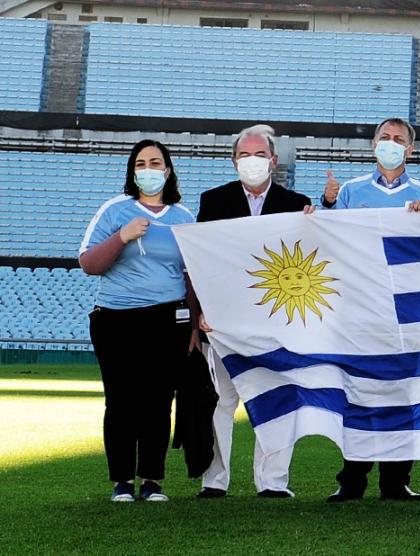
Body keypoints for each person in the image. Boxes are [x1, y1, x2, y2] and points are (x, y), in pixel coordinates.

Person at [319, 117, 420, 502]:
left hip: (406, 311)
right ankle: (351, 480)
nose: (391, 143)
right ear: (373, 144)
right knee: (359, 395)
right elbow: (328, 243)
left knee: (402, 396)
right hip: (360, 310)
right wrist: (327, 205)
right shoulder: (349, 191)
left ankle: (396, 480)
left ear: (410, 150)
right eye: (384, 137)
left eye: (398, 139)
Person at [194, 124, 312, 499]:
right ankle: (214, 479)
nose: (252, 161)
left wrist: (318, 221)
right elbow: (199, 261)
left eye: (259, 155)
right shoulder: (212, 201)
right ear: (233, 161)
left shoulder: (297, 205)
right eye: (244, 155)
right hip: (224, 321)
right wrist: (199, 312)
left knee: (278, 399)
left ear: (273, 160)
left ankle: (273, 481)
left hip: (277, 323)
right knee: (222, 401)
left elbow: (311, 262)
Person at [80, 139, 197, 502]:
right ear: (133, 171)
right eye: (141, 163)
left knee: (159, 400)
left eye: (156, 162)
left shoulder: (184, 217)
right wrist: (122, 237)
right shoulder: (114, 210)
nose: (149, 169)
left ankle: (151, 480)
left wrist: (194, 325)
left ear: (168, 169)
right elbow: (89, 264)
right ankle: (121, 482)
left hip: (168, 320)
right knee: (120, 401)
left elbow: (193, 275)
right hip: (116, 319)